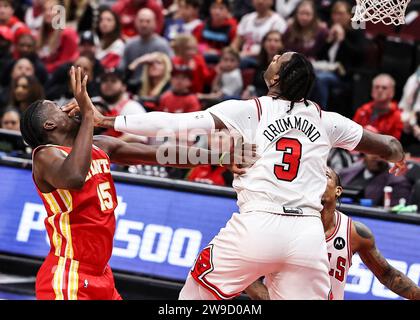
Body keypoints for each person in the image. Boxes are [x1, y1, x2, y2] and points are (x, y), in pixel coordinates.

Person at [90, 51, 407, 300]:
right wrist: (397, 156)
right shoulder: (328, 120)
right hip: (308, 237)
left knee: (193, 295)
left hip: (258, 223)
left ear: (276, 79)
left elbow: (174, 125)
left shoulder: (252, 109)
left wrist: (107, 119)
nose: (270, 60)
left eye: (276, 60)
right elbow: (387, 144)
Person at [21, 66, 240, 300]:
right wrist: (87, 115)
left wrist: (220, 158)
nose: (67, 107)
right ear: (49, 126)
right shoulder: (45, 155)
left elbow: (161, 154)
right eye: (57, 108)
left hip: (101, 275)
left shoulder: (100, 145)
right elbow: (74, 177)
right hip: (69, 275)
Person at [246, 167, 420, 300]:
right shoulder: (281, 223)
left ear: (338, 190)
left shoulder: (354, 233)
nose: (317, 178)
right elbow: (247, 273)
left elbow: (388, 275)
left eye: (325, 176)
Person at [119, 8, 173, 91]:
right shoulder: (130, 45)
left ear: (155, 23)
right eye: (141, 21)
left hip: (157, 89)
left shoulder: (162, 45)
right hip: (133, 88)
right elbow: (122, 71)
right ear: (136, 23)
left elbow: (170, 70)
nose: (144, 25)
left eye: (148, 21)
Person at [339, 153, 412, 207]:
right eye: (371, 152)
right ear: (364, 155)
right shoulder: (346, 173)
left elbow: (394, 215)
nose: (376, 157)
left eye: (380, 153)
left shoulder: (398, 183)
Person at [231, 0, 287, 66]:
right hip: (242, 56)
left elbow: (277, 47)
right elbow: (236, 43)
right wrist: (232, 54)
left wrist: (247, 54)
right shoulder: (246, 18)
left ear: (272, 1)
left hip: (264, 60)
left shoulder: (278, 21)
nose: (260, 1)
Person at [353, 74, 403, 140]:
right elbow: (352, 134)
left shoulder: (398, 115)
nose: (380, 90)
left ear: (392, 92)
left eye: (384, 88)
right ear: (371, 91)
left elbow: (395, 144)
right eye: (376, 87)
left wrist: (376, 136)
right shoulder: (363, 110)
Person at [37, 0, 80, 73]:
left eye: (52, 9)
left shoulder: (68, 33)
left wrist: (43, 69)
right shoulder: (41, 35)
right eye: (45, 10)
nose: (47, 13)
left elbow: (66, 63)